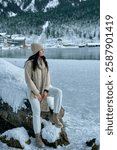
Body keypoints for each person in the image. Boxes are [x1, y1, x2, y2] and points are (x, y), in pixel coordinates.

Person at [24, 43, 63, 148]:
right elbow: (28, 81)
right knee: (36, 112)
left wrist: (46, 90)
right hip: (33, 92)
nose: (43, 50)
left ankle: (55, 116)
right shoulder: (29, 64)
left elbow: (48, 79)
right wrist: (37, 93)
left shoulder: (44, 62)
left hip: (44, 88)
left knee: (58, 92)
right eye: (41, 49)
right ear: (36, 51)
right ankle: (37, 136)